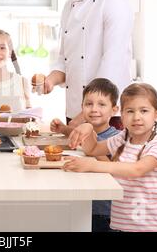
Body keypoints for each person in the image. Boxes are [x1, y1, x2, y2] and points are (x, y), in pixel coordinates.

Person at [35, 0, 133, 130]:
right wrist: (50, 81)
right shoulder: (69, 6)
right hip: (74, 112)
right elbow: (65, 60)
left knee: (103, 161)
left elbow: (111, 66)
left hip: (106, 117)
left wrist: (81, 119)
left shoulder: (114, 1)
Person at [65, 83, 157, 232]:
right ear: (122, 115)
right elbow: (93, 149)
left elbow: (137, 170)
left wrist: (93, 166)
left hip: (149, 227)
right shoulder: (123, 138)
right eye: (130, 111)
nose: (137, 117)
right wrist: (88, 128)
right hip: (120, 225)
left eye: (144, 111)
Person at [51, 77, 119, 232]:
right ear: (82, 108)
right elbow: (75, 133)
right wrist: (62, 128)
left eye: (102, 104)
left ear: (114, 110)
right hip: (79, 205)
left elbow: (115, 170)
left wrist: (88, 137)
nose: (94, 109)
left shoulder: (117, 138)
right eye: (89, 104)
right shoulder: (82, 132)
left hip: (103, 213)